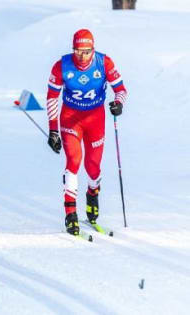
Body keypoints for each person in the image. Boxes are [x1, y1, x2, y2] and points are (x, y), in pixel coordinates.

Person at [46, 29, 127, 236]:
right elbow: (52, 98)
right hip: (71, 119)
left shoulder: (104, 63)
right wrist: (53, 130)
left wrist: (119, 104)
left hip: (95, 119)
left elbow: (121, 90)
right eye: (78, 51)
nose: (82, 56)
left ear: (93, 49)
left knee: (93, 167)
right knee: (73, 160)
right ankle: (70, 214)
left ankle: (92, 199)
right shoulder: (62, 66)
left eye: (86, 51)